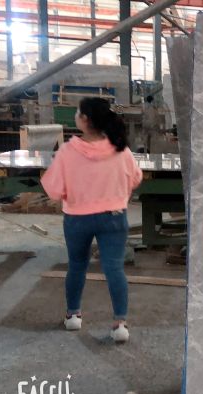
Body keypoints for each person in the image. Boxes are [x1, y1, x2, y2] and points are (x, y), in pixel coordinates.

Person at [42, 97, 143, 343]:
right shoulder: (121, 149)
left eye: (77, 112)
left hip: (77, 218)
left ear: (85, 119)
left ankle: (73, 315)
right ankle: (120, 323)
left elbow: (54, 190)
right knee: (114, 268)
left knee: (77, 265)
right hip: (114, 218)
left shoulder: (67, 152)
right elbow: (135, 179)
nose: (75, 115)